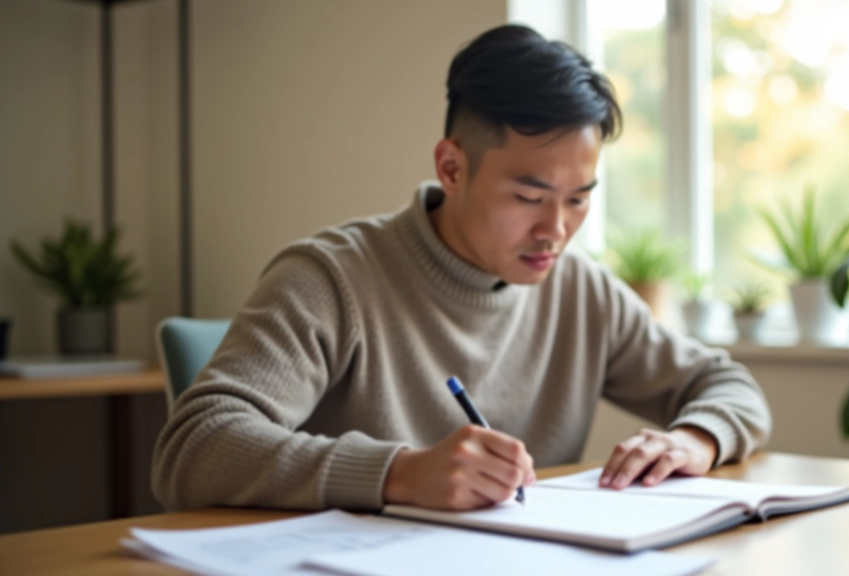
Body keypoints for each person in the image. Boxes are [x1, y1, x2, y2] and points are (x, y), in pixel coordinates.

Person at [153, 24, 771, 513]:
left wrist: (695, 439)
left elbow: (729, 385)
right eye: (529, 197)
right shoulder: (329, 279)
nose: (556, 230)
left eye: (579, 198)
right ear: (452, 168)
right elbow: (193, 448)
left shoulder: (581, 291)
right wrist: (397, 472)